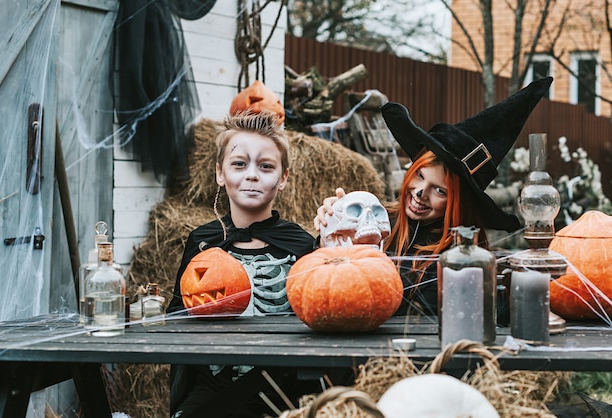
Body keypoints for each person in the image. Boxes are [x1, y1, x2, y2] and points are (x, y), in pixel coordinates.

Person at [315, 77, 553, 316]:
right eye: (419, 175)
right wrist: (330, 238)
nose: (420, 193)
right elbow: (318, 282)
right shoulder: (378, 219)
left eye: (440, 190)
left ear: (460, 203)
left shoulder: (461, 261)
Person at [167, 110, 317, 418]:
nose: (251, 175)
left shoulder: (300, 243)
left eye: (265, 166)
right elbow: (178, 313)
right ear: (220, 174)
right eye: (239, 164)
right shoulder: (203, 240)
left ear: (284, 177)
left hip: (282, 386)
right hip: (211, 384)